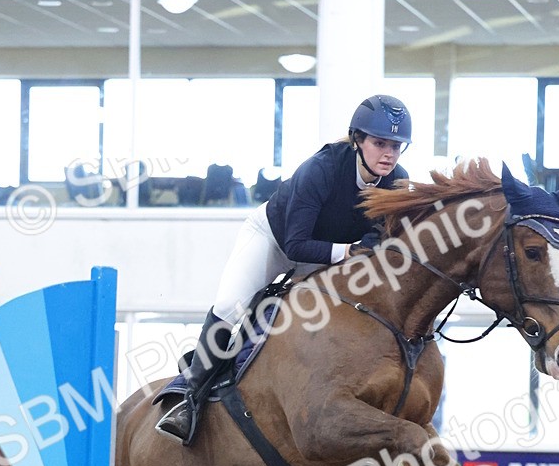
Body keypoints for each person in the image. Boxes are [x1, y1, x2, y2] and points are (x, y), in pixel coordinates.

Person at [156, 93, 411, 443]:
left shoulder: (398, 182)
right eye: (380, 143)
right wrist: (352, 250)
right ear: (358, 140)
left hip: (324, 255)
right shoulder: (321, 168)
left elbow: (377, 240)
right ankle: (190, 399)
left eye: (396, 147)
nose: (389, 154)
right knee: (232, 305)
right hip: (273, 240)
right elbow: (295, 244)